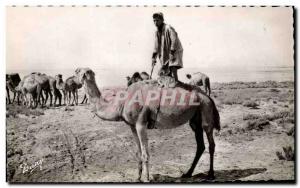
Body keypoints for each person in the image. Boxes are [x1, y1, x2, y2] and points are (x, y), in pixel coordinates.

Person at [152, 12, 183, 83]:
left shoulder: (168, 28)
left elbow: (174, 39)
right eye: (154, 21)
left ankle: (176, 82)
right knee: (165, 68)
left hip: (175, 49)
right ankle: (170, 81)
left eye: (157, 20)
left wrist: (172, 51)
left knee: (173, 65)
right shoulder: (157, 32)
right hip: (165, 52)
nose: (155, 22)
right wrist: (153, 58)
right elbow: (156, 46)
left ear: (162, 20)